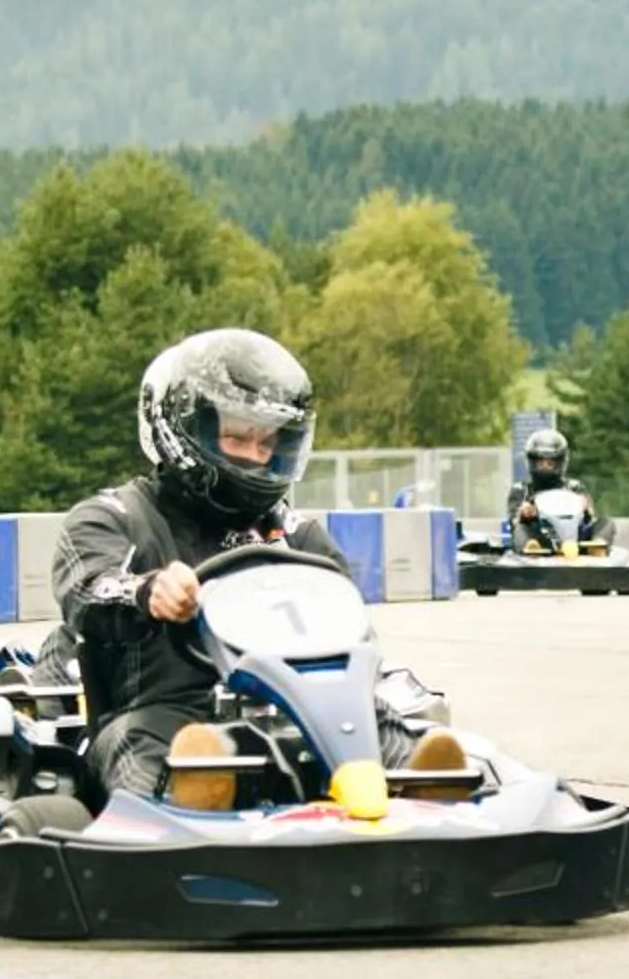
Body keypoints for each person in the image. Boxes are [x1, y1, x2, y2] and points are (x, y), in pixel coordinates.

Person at [54, 328, 465, 810]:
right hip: (163, 712)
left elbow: (350, 632)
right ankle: (188, 799)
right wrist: (148, 592)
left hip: (300, 713)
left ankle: (429, 787)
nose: (256, 455)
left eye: (267, 441)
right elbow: (88, 590)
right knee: (147, 745)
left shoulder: (298, 535)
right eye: (237, 437)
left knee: (377, 718)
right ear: (185, 429)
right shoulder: (114, 517)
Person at [506, 426, 607, 551]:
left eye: (550, 464)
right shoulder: (521, 490)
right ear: (532, 462)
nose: (545, 468)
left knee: (606, 523)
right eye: (540, 463)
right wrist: (524, 513)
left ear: (560, 462)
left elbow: (589, 517)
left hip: (575, 540)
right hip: (541, 540)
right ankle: (531, 548)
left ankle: (597, 548)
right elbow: (513, 521)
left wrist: (586, 509)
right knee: (521, 529)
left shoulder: (574, 487)